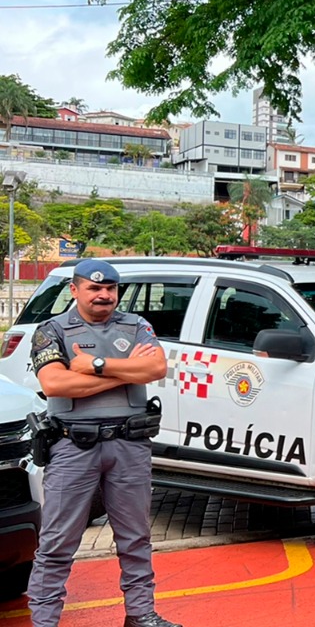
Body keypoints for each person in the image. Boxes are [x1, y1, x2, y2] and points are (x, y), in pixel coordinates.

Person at [27, 260, 178, 627]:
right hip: (72, 448)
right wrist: (124, 371)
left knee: (136, 537)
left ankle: (141, 615)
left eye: (110, 289)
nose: (103, 295)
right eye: (94, 289)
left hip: (130, 445)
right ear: (75, 290)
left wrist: (93, 364)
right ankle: (45, 621)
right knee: (58, 541)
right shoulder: (51, 331)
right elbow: (56, 385)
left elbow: (157, 369)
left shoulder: (136, 326)